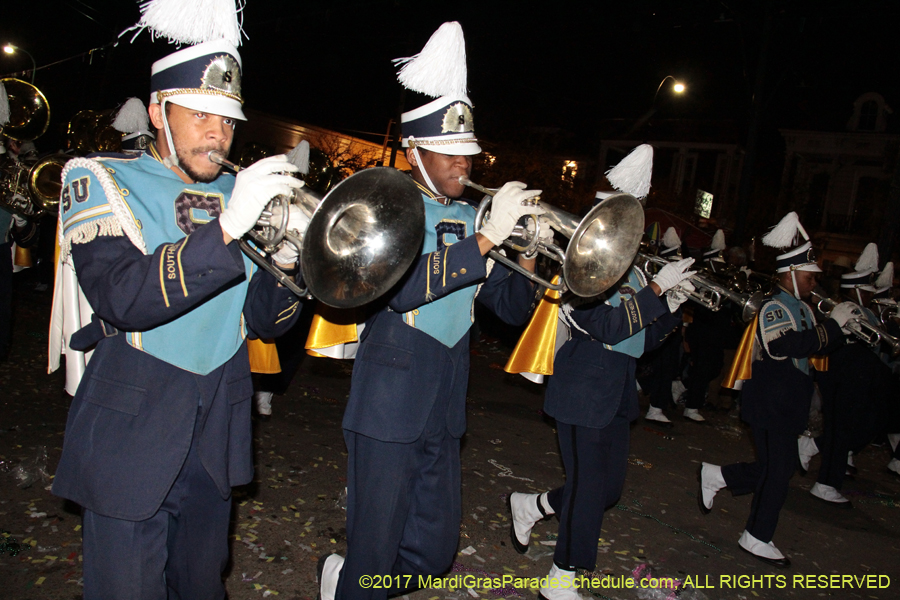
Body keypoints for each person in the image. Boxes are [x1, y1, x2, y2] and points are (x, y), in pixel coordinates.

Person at [49, 39, 307, 599]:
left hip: (218, 422)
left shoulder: (246, 195)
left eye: (227, 120)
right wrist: (228, 231)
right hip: (132, 429)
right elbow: (121, 296)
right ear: (159, 108)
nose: (217, 134)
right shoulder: (102, 178)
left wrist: (291, 260)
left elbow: (267, 323)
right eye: (200, 114)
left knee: (201, 585)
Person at [317, 22, 547, 600]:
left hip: (443, 410)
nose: (463, 164)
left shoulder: (476, 222)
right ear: (416, 150)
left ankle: (346, 584)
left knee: (433, 550)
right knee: (374, 554)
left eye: (468, 152)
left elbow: (510, 310)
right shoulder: (384, 205)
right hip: (388, 407)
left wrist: (532, 251)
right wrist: (487, 243)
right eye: (450, 151)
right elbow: (399, 290)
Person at [506, 226, 695, 599]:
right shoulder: (578, 274)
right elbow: (607, 328)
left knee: (606, 490)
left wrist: (671, 309)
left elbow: (641, 340)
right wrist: (656, 291)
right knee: (589, 488)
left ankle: (533, 506)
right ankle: (562, 576)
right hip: (582, 391)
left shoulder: (635, 275)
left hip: (618, 392)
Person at [699, 212, 853, 567]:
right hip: (771, 401)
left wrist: (839, 328)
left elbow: (817, 348)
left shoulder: (804, 308)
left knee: (776, 468)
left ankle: (719, 475)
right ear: (789, 274)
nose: (814, 282)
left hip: (787, 403)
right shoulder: (773, 306)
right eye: (808, 276)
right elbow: (783, 346)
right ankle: (757, 535)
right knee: (778, 471)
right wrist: (831, 326)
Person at [800, 245, 895, 503]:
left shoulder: (864, 312)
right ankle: (826, 482)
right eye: (866, 291)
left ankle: (823, 468)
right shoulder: (848, 310)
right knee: (842, 430)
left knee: (845, 430)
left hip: (853, 378)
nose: (870, 296)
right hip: (844, 378)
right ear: (855, 289)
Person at [641, 226, 685, 428]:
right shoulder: (655, 272)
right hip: (658, 319)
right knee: (658, 364)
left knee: (668, 366)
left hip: (672, 322)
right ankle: (654, 406)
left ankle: (654, 401)